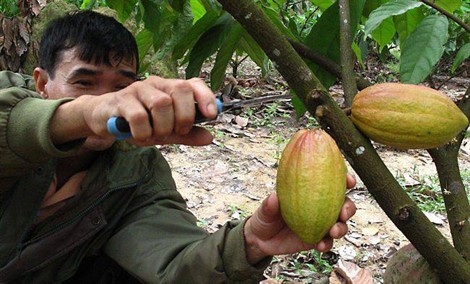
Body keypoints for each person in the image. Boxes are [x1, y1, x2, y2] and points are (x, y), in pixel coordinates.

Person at [0, 10, 357, 283]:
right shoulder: (8, 99)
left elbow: (173, 262)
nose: (107, 99)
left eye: (120, 86)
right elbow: (14, 124)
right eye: (84, 81)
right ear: (41, 83)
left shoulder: (135, 169)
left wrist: (250, 243)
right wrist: (86, 114)